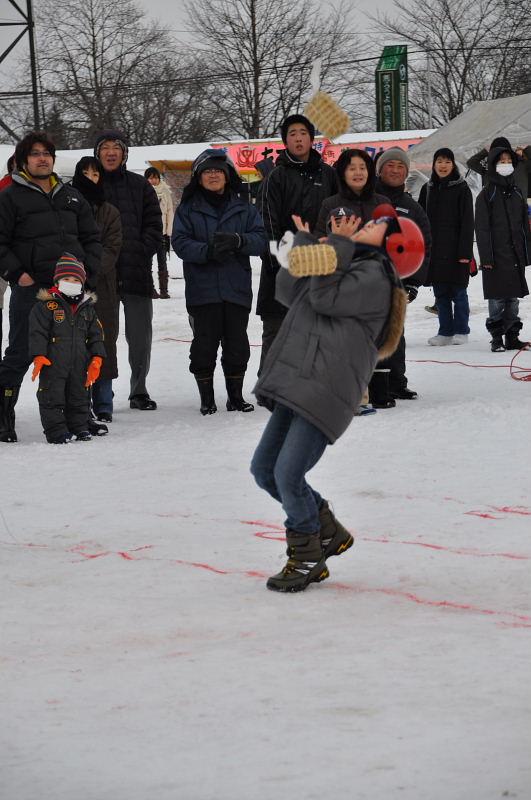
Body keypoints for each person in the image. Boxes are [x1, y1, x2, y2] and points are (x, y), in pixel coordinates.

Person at [250, 209, 423, 592]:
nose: (367, 224)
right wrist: (309, 245)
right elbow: (287, 290)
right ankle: (326, 530)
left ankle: (307, 555)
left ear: (396, 247)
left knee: (287, 475)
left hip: (326, 389)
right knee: (264, 469)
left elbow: (326, 297)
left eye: (378, 226)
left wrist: (338, 246)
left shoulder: (376, 277)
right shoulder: (344, 261)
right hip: (299, 380)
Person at [0, 131, 102, 443]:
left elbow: (92, 238)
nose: (42, 158)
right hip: (32, 289)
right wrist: (18, 274)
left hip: (71, 291)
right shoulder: (10, 197)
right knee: (21, 351)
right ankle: (3, 415)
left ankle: (80, 415)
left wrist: (89, 272)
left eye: (47, 153)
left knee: (75, 355)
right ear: (22, 160)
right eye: (35, 154)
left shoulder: (71, 195)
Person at [172, 149, 268, 415]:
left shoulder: (244, 207)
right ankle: (207, 398)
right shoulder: (188, 209)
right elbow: (179, 243)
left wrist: (239, 241)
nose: (213, 175)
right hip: (203, 290)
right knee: (204, 345)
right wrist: (207, 251)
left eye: (218, 171)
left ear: (227, 176)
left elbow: (261, 239)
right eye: (207, 171)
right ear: (198, 177)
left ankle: (235, 397)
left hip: (235, 287)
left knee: (237, 346)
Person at [255, 114, 338, 374]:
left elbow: (338, 216)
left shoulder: (329, 175)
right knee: (277, 327)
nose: (298, 138)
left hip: (321, 265)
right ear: (285, 141)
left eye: (303, 133)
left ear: (312, 139)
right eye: (292, 134)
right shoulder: (276, 177)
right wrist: (276, 262)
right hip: (283, 266)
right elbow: (267, 223)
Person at [94, 129, 162, 410]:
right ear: (97, 154)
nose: (110, 152)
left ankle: (139, 389)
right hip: (101, 275)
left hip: (136, 271)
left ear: (124, 153)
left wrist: (141, 250)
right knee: (100, 336)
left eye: (116, 147)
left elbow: (155, 226)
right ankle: (100, 394)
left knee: (139, 337)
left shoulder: (140, 185)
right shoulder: (89, 186)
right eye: (105, 148)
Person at [370, 146, 431, 407]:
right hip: (366, 279)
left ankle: (397, 382)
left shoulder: (411, 207)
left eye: (400, 167)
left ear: (406, 173)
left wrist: (415, 282)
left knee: (395, 331)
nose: (395, 170)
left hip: (398, 282)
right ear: (380, 170)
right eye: (390, 165)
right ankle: (368, 384)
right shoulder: (367, 199)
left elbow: (424, 245)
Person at [28, 254, 106, 443]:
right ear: (57, 281)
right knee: (51, 396)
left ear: (82, 282)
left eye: (75, 280)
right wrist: (38, 355)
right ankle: (56, 430)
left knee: (79, 396)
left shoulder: (86, 307)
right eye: (66, 279)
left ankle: (79, 426)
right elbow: (37, 332)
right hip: (53, 362)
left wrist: (97, 357)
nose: (71, 282)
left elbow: (96, 335)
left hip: (79, 362)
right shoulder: (47, 306)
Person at [72, 156, 122, 426]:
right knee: (75, 345)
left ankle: (104, 403)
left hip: (102, 286)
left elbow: (112, 248)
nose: (91, 178)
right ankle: (80, 402)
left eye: (96, 174)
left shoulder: (109, 211)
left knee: (104, 342)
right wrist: (76, 274)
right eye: (86, 173)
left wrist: (91, 272)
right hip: (71, 285)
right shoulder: (67, 208)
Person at [475, 147, 531, 352]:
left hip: (515, 253)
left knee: (513, 299)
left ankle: (512, 336)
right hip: (495, 256)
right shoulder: (486, 194)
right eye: (501, 161)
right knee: (497, 298)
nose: (505, 164)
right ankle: (496, 337)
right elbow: (481, 228)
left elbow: (524, 225)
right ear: (493, 164)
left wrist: (526, 252)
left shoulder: (517, 192)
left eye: (509, 160)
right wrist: (486, 257)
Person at [418, 148, 474, 345]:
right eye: (439, 161)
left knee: (459, 292)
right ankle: (445, 332)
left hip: (457, 250)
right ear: (434, 165)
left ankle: (461, 330)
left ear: (453, 165)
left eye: (447, 162)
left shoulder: (462, 188)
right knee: (440, 293)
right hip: (435, 251)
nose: (443, 165)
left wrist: (465, 253)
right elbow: (420, 222)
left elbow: (468, 222)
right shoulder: (428, 189)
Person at [314, 148, 390, 236]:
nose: (358, 173)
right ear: (342, 174)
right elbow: (320, 237)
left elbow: (393, 235)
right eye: (352, 169)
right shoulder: (330, 204)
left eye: (362, 168)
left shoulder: (383, 202)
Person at [144, 166, 173, 299]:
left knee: (162, 261)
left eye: (155, 177)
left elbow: (170, 212)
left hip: (162, 233)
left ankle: (164, 290)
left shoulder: (166, 192)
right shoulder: (143, 192)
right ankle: (150, 288)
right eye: (150, 178)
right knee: (147, 262)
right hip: (148, 233)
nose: (153, 180)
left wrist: (168, 231)